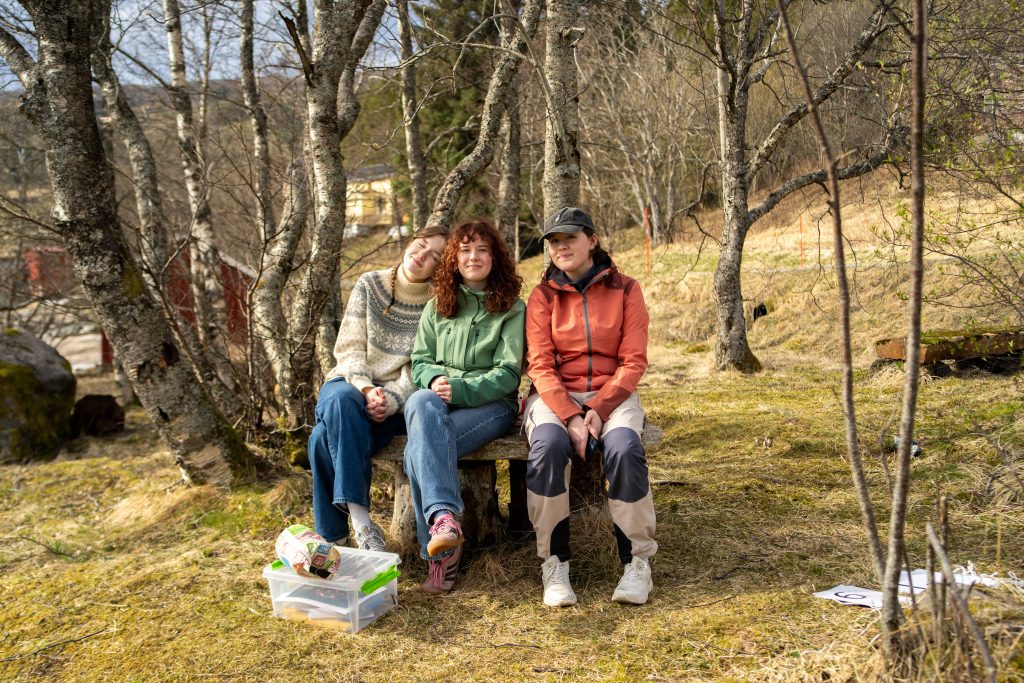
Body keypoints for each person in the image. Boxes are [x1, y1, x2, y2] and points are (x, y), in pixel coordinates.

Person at [524, 207, 656, 607]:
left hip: (613, 394)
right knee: (547, 447)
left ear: (592, 240)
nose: (560, 247)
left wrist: (598, 407)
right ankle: (554, 563)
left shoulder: (627, 289)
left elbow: (634, 360)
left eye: (569, 238)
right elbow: (540, 365)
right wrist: (571, 415)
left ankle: (636, 562)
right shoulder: (542, 295)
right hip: (553, 396)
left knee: (624, 449)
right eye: (553, 242)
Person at [404, 219, 526, 594]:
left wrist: (457, 389)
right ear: (454, 258)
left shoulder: (511, 308)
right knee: (420, 399)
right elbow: (420, 361)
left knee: (418, 450)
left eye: (482, 250)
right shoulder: (437, 306)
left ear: (495, 258)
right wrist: (433, 381)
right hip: (437, 405)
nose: (473, 257)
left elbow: (508, 374)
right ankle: (445, 521)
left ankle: (440, 556)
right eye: (465, 250)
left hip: (491, 407)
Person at [308, 225, 448, 552]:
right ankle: (363, 524)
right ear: (411, 241)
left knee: (320, 439)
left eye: (434, 256)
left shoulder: (439, 303)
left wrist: (392, 400)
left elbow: (422, 367)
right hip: (350, 384)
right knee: (342, 399)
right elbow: (350, 347)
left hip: (393, 406)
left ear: (440, 267)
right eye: (421, 244)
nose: (421, 255)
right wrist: (366, 388)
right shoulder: (370, 284)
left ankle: (333, 539)